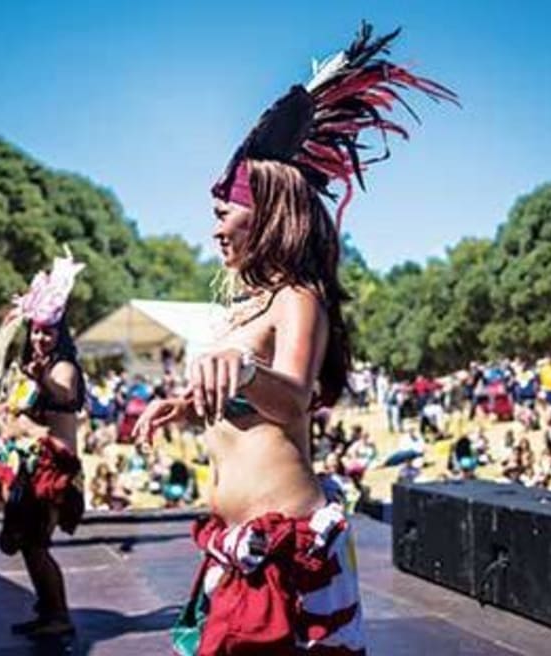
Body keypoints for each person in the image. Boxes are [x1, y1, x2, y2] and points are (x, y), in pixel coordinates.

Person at [134, 22, 455, 655]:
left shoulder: (297, 297)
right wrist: (185, 404)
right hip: (237, 545)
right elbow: (240, 405)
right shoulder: (241, 307)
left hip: (286, 542)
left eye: (224, 214)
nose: (215, 230)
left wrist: (244, 372)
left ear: (267, 211)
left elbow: (294, 398)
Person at [0, 247, 87, 639]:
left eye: (49, 331)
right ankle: (48, 611)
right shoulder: (32, 368)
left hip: (53, 468)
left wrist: (41, 380)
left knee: (36, 544)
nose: (42, 337)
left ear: (60, 334)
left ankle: (59, 615)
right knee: (29, 544)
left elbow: (63, 395)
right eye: (37, 330)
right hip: (31, 466)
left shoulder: (62, 368)